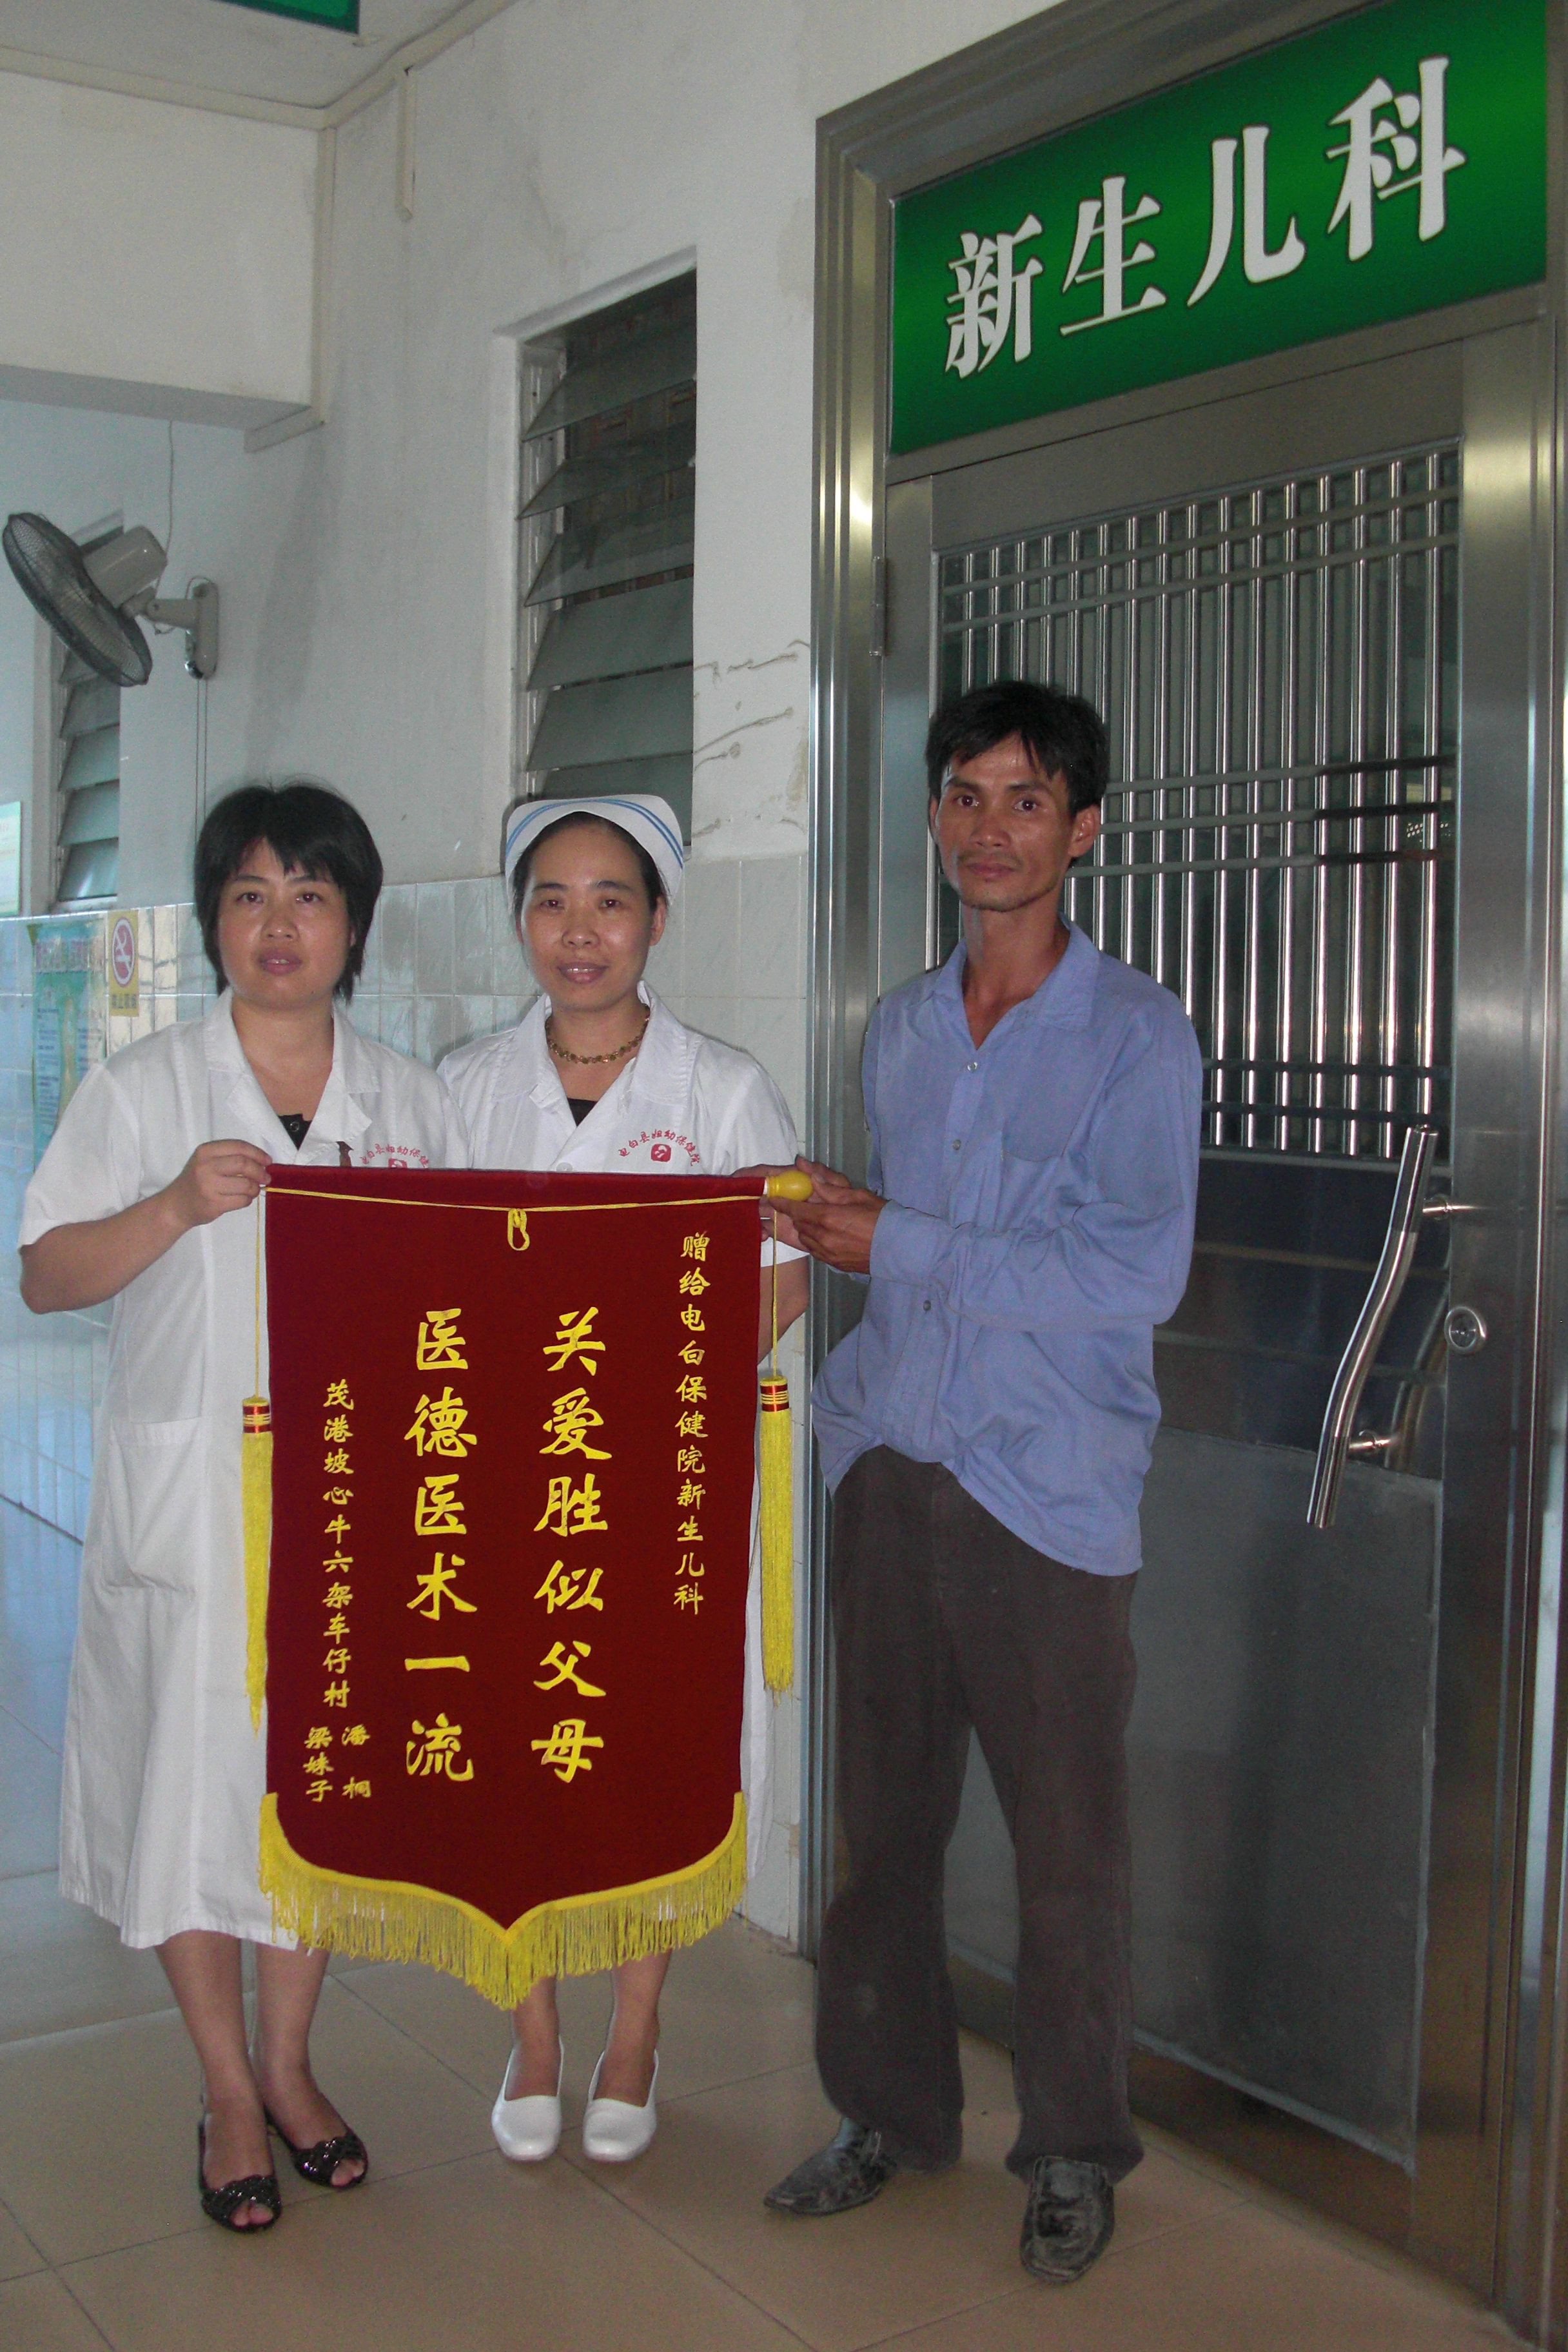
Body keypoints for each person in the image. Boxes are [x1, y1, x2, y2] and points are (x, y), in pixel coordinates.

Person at [762, 680, 1201, 2284]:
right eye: (964, 794)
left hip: (1047, 1493)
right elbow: (911, 1245)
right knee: (879, 1830)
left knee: (1066, 1848)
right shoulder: (899, 1026)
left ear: (1081, 829)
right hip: (891, 1462)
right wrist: (843, 1231)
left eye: (1025, 799)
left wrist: (895, 1238)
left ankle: (1075, 2150)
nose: (989, 826)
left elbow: (1133, 1271)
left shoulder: (1137, 1035)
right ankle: (887, 2115)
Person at [19, 783, 467, 2234]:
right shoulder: (142, 1088)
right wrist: (169, 1207)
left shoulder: (411, 1101)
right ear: (215, 920)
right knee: (186, 1793)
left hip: (352, 1512)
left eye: (311, 896)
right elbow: (45, 1276)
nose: (281, 925)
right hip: (193, 1511)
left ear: (355, 925)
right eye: (251, 895)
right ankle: (225, 2088)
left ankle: (289, 2063)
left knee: (310, 1787)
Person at [440, 792, 809, 2168]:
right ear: (521, 922)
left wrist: (645, 1386)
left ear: (656, 919)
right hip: (501, 1483)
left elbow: (782, 1277)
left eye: (609, 899)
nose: (579, 929)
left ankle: (636, 2029)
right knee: (515, 1753)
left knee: (651, 1746)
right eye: (551, 899)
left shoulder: (722, 1089)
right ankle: (533, 2033)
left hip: (663, 1481)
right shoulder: (467, 1085)